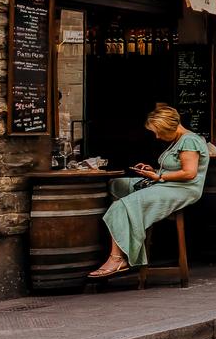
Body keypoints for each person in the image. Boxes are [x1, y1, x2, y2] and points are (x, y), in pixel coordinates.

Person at [88, 105, 209, 278]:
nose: (157, 136)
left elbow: (189, 173)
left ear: (168, 127)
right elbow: (173, 169)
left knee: (122, 205)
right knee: (117, 185)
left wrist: (159, 177)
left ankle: (118, 258)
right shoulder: (177, 140)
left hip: (182, 189)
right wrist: (154, 171)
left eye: (159, 132)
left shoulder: (189, 140)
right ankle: (129, 233)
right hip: (166, 183)